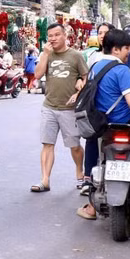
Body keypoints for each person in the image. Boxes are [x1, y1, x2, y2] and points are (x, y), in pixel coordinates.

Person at [77, 28, 130, 219]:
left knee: (100, 162)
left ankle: (90, 206)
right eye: (126, 48)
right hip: (125, 124)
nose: (129, 52)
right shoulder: (122, 70)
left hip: (103, 127)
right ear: (115, 49)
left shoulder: (95, 67)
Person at [31, 22, 89, 193]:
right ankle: (45, 180)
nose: (53, 38)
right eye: (50, 36)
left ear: (65, 36)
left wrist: (78, 93)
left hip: (69, 109)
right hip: (49, 106)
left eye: (57, 35)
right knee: (47, 143)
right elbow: (37, 74)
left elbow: (86, 78)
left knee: (74, 145)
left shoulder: (75, 56)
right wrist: (45, 55)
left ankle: (80, 174)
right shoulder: (47, 54)